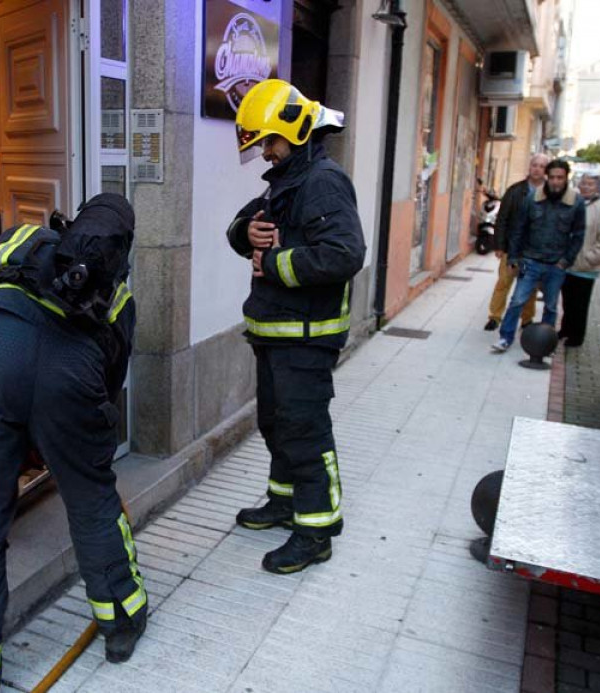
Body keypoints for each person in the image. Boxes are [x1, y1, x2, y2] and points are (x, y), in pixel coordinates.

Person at [0, 194, 146, 692]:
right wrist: (64, 436)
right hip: (70, 375)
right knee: (93, 502)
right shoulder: (119, 298)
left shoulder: (21, 239)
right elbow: (108, 383)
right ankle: (121, 622)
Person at [226, 79, 366, 574]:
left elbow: (345, 254)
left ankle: (317, 529)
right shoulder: (286, 179)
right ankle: (284, 502)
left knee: (305, 431)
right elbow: (237, 229)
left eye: (270, 141)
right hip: (276, 333)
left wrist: (278, 262)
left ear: (294, 129)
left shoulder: (322, 181)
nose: (265, 152)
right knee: (276, 424)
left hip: (307, 338)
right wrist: (249, 233)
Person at [492, 159, 586, 352]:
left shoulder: (576, 202)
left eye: (560, 177)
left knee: (551, 307)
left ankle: (545, 345)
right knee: (517, 301)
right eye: (552, 177)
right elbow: (519, 229)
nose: (555, 182)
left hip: (556, 265)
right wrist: (514, 257)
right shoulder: (532, 198)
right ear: (547, 177)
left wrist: (565, 261)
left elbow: (578, 235)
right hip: (530, 261)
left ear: (566, 178)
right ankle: (505, 338)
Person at [483, 154, 548, 331]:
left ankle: (526, 319)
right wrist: (499, 245)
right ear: (529, 167)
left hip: (535, 250)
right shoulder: (515, 190)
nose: (537, 169)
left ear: (546, 170)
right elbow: (502, 218)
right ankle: (494, 317)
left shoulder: (549, 193)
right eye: (534, 165)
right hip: (512, 246)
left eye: (542, 166)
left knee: (530, 287)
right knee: (503, 282)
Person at [559, 173, 600, 347]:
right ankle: (565, 330)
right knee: (567, 301)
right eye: (583, 183)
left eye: (590, 184)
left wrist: (591, 258)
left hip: (587, 266)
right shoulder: (574, 202)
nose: (586, 186)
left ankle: (576, 337)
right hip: (569, 263)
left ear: (597, 187)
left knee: (580, 304)